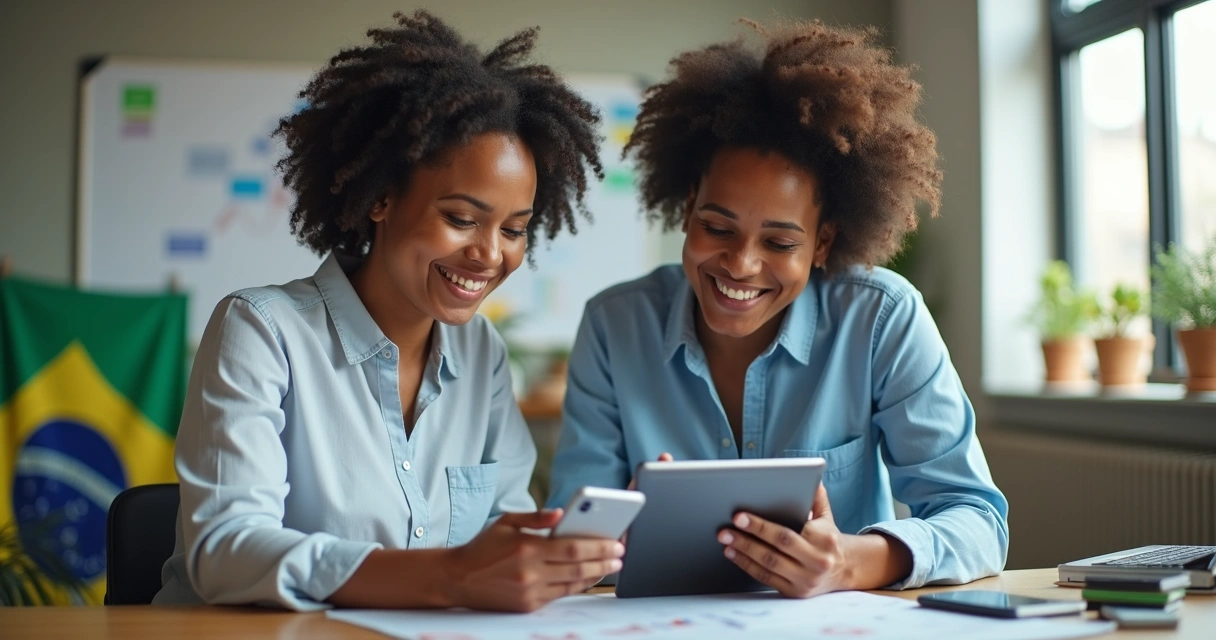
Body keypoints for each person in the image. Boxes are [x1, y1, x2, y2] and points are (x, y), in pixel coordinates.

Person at [154, 10, 621, 612]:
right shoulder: (260, 331)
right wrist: (450, 575)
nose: (489, 255)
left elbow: (508, 535)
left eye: (514, 229)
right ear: (380, 197)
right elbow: (225, 553)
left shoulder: (482, 355)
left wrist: (591, 548)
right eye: (460, 219)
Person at [547, 19, 1008, 597]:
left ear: (823, 242)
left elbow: (977, 519)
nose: (740, 265)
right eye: (717, 227)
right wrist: (613, 533)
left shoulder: (883, 319)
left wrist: (854, 561)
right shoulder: (615, 326)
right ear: (687, 210)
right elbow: (570, 537)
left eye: (780, 243)